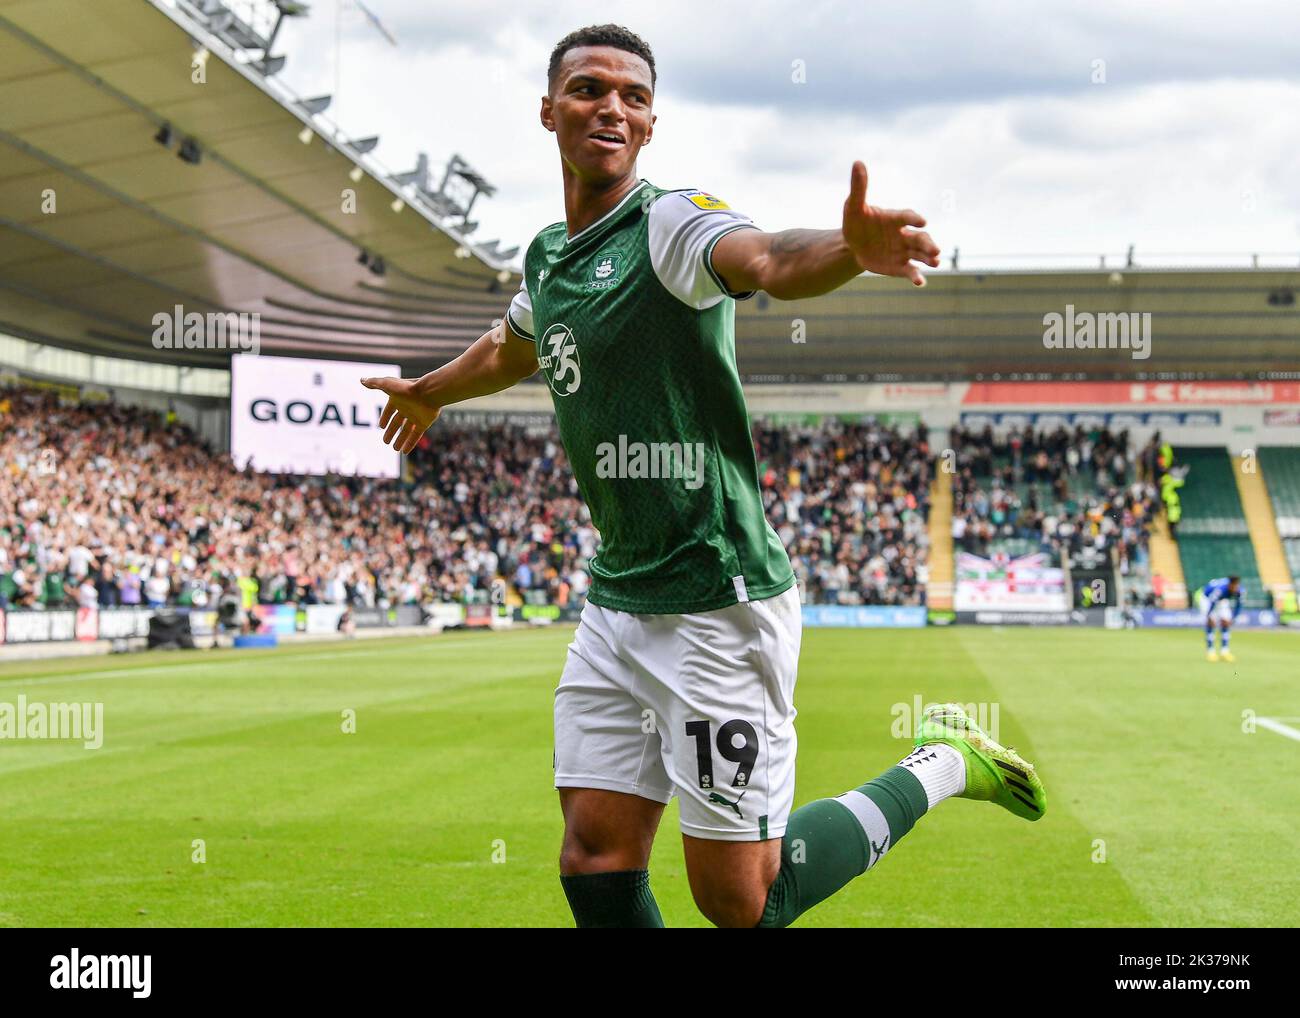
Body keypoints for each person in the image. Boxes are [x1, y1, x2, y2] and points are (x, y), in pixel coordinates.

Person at [361, 24, 1045, 929]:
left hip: (716, 603)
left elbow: (767, 260)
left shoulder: (671, 225)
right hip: (618, 600)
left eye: (633, 97)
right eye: (589, 89)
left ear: (649, 126)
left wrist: (848, 252)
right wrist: (432, 393)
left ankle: (947, 762)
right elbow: (511, 346)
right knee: (594, 861)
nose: (612, 106)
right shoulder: (550, 258)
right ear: (548, 110)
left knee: (743, 905)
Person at [1200, 575, 1241, 662]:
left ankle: (1224, 652)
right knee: (1211, 624)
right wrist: (1209, 615)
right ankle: (1210, 652)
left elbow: (1239, 605)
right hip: (1207, 598)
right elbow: (1212, 602)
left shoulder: (1239, 590)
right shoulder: (1220, 590)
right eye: (1234, 586)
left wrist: (1233, 618)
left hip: (1222, 600)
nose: (1235, 588)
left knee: (1226, 623)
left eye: (1237, 586)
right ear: (1230, 585)